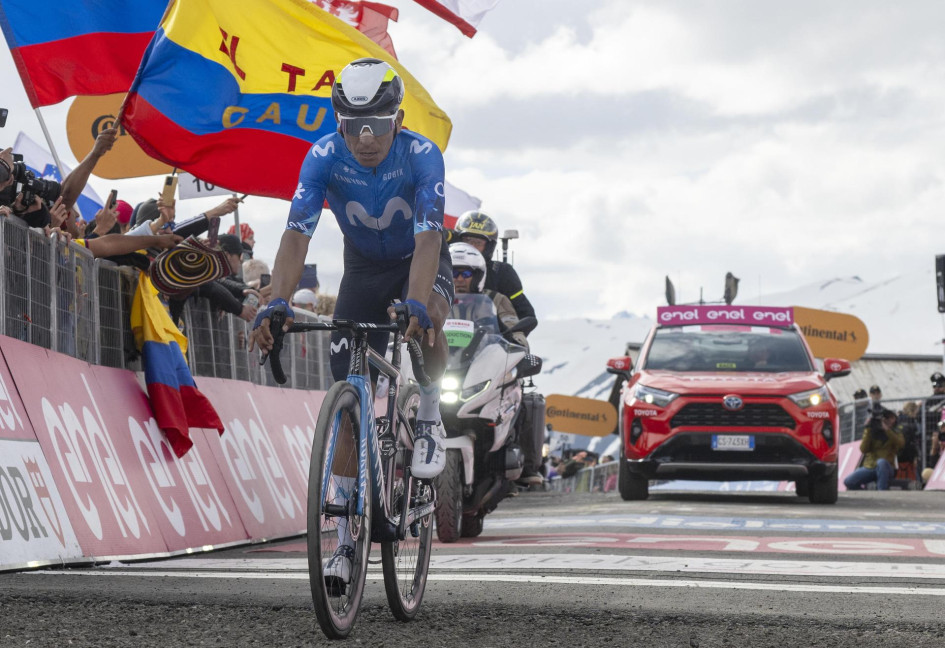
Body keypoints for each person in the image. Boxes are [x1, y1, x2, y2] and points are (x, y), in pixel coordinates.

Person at [248, 58, 452, 586]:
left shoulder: (423, 155)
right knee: (349, 397)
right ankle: (341, 542)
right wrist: (277, 300)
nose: (365, 138)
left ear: (398, 119)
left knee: (428, 314)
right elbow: (297, 235)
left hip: (417, 260)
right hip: (362, 269)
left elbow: (429, 238)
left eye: (377, 126)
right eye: (352, 126)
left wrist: (415, 301)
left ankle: (429, 409)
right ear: (338, 122)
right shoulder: (321, 157)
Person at [450, 242, 542, 486]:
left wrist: (517, 345)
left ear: (477, 276)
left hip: (480, 368)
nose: (459, 279)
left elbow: (514, 329)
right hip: (442, 368)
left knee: (519, 397)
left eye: (465, 273)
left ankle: (524, 463)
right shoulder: (433, 301)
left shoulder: (496, 299)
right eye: (453, 272)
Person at [453, 210, 537, 329]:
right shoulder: (439, 270)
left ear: (488, 247)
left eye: (477, 242)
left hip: (488, 344)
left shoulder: (502, 273)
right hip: (442, 343)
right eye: (467, 240)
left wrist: (509, 340)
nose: (471, 246)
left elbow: (525, 314)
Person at [843, 408, 904, 491]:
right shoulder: (873, 431)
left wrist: (887, 430)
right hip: (870, 466)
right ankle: (867, 495)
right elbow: (863, 449)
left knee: (881, 462)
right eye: (885, 419)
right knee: (848, 481)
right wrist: (868, 429)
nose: (887, 421)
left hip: (887, 467)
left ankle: (881, 491)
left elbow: (900, 444)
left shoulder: (896, 432)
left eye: (890, 418)